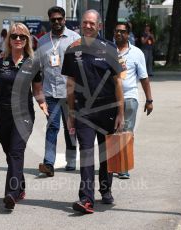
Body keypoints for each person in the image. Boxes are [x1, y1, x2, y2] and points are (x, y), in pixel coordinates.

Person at [62, 9, 124, 214]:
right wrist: (71, 113)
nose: (87, 26)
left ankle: (105, 190)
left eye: (92, 23)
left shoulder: (109, 48)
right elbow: (70, 84)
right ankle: (86, 199)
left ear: (99, 26)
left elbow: (117, 82)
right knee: (86, 153)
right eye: (85, 23)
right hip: (83, 110)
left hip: (107, 109)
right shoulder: (72, 49)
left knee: (105, 155)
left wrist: (121, 112)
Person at [0, 22, 48, 210]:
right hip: (2, 114)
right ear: (9, 39)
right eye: (14, 36)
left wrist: (42, 103)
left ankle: (11, 194)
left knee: (15, 151)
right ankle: (19, 186)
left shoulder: (33, 61)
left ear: (27, 39)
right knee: (10, 153)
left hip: (24, 114)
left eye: (22, 36)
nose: (18, 39)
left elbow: (37, 89)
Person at [36, 6, 81, 177]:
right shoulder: (42, 42)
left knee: (71, 128)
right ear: (50, 21)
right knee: (52, 127)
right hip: (50, 92)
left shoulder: (75, 39)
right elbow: (37, 69)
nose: (56, 22)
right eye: (53, 19)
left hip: (70, 92)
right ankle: (49, 163)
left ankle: (70, 160)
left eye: (59, 19)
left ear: (64, 19)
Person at [114, 22, 153, 179]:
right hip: (110, 99)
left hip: (129, 96)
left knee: (126, 131)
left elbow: (144, 78)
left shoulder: (137, 53)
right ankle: (114, 163)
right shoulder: (107, 51)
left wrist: (149, 99)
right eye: (116, 31)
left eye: (122, 32)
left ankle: (124, 166)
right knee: (113, 132)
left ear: (128, 34)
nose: (119, 34)